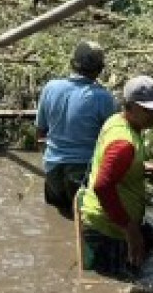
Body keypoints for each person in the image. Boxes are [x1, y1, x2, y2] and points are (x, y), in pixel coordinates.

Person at [78, 75, 153, 277]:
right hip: (107, 229)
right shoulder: (124, 143)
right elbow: (103, 186)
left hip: (109, 221)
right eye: (147, 110)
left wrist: (140, 167)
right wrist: (130, 230)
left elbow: (109, 165)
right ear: (130, 106)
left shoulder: (117, 120)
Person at [36, 41, 118, 218]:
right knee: (83, 224)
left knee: (56, 219)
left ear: (72, 63)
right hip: (83, 172)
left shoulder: (50, 88)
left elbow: (40, 132)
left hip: (52, 170)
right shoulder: (103, 98)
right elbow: (114, 141)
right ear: (99, 69)